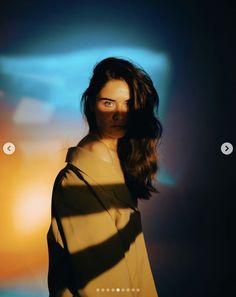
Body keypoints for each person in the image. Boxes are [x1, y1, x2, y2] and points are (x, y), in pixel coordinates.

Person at [47, 57, 162, 297]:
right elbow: (102, 286)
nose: (119, 114)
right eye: (108, 103)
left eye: (128, 104)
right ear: (91, 105)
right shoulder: (77, 182)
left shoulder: (119, 163)